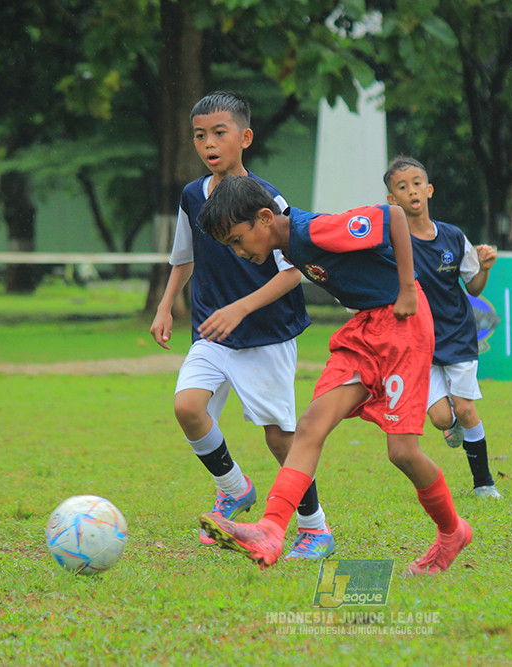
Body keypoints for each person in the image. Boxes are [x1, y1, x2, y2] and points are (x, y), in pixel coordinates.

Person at [195, 175, 472, 575]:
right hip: (364, 333)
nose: (238, 252)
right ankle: (271, 529)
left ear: (265, 218)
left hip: (402, 327)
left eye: (238, 240)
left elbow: (394, 217)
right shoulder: (289, 246)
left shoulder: (317, 231)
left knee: (403, 453)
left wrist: (408, 287)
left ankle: (452, 531)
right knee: (310, 426)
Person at [149, 91, 334, 560]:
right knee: (188, 407)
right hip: (213, 330)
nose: (208, 143)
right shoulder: (193, 196)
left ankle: (315, 528)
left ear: (244, 138)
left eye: (219, 133)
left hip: (265, 333)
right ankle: (233, 488)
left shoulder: (267, 200)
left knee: (279, 436)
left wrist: (242, 308)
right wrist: (166, 304)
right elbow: (184, 256)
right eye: (199, 135)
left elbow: (293, 271)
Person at [382, 156, 502, 500]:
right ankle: (454, 430)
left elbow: (473, 287)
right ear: (393, 200)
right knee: (439, 418)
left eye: (417, 183)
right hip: (419, 342)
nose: (411, 191)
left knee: (465, 409)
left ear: (429, 190)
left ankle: (484, 483)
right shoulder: (391, 244)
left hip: (458, 335)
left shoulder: (452, 237)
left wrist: (486, 267)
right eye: (402, 187)